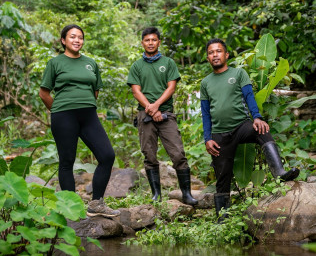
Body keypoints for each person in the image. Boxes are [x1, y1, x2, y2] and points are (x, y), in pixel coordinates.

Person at [200, 38, 300, 222]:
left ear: (226, 55)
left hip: (241, 126)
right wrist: (207, 138)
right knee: (223, 176)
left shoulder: (238, 74)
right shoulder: (205, 83)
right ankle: (222, 219)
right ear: (208, 57)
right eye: (211, 52)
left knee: (261, 130)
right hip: (220, 134)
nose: (215, 55)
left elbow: (249, 97)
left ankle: (279, 171)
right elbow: (205, 113)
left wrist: (257, 117)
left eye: (218, 51)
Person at [39, 24, 120, 218]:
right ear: (63, 40)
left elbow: (95, 91)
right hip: (63, 115)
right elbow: (44, 93)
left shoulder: (90, 63)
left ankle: (96, 204)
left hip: (88, 116)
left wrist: (84, 103)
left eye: (80, 37)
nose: (77, 40)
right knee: (67, 161)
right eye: (73, 37)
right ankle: (70, 208)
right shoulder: (55, 63)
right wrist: (59, 110)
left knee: (107, 155)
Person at [127, 27, 198, 206]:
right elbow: (136, 91)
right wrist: (150, 109)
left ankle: (186, 194)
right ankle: (156, 195)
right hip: (145, 114)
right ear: (142, 42)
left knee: (178, 153)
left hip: (166, 113)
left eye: (153, 40)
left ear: (159, 42)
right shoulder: (136, 66)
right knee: (149, 155)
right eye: (147, 40)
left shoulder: (168, 63)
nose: (150, 43)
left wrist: (157, 106)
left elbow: (171, 87)